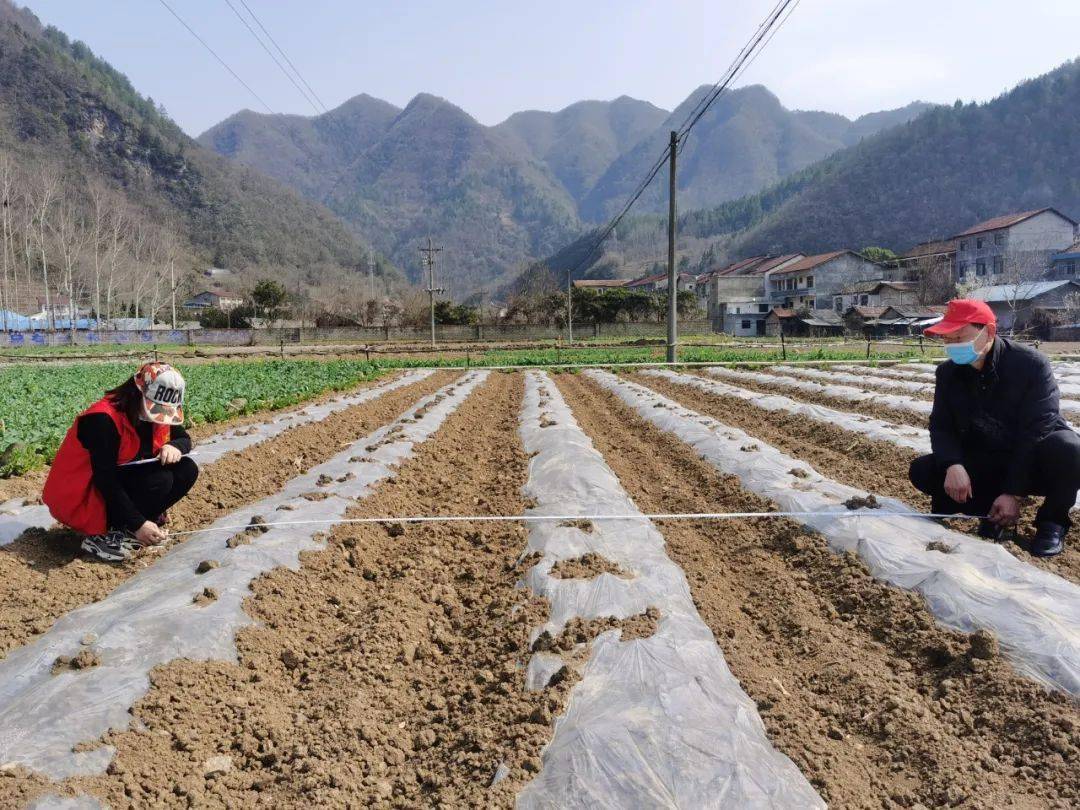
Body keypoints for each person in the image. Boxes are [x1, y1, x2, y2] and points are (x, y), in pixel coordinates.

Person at [908, 299, 1080, 557]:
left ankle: (1052, 523)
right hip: (990, 453)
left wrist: (1014, 493)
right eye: (947, 340)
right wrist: (953, 464)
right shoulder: (948, 374)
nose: (953, 346)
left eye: (959, 337)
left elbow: (1035, 432)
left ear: (988, 331)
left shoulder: (1031, 366)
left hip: (1035, 458)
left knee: (1070, 449)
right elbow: (941, 426)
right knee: (923, 470)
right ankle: (990, 514)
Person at [43, 362, 199, 562]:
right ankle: (104, 534)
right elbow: (104, 479)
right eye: (157, 408)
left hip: (116, 482)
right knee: (160, 480)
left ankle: (131, 526)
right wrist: (137, 523)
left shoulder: (154, 415)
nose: (161, 417)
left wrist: (175, 446)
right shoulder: (102, 419)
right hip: (84, 494)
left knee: (186, 469)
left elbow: (184, 438)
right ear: (138, 392)